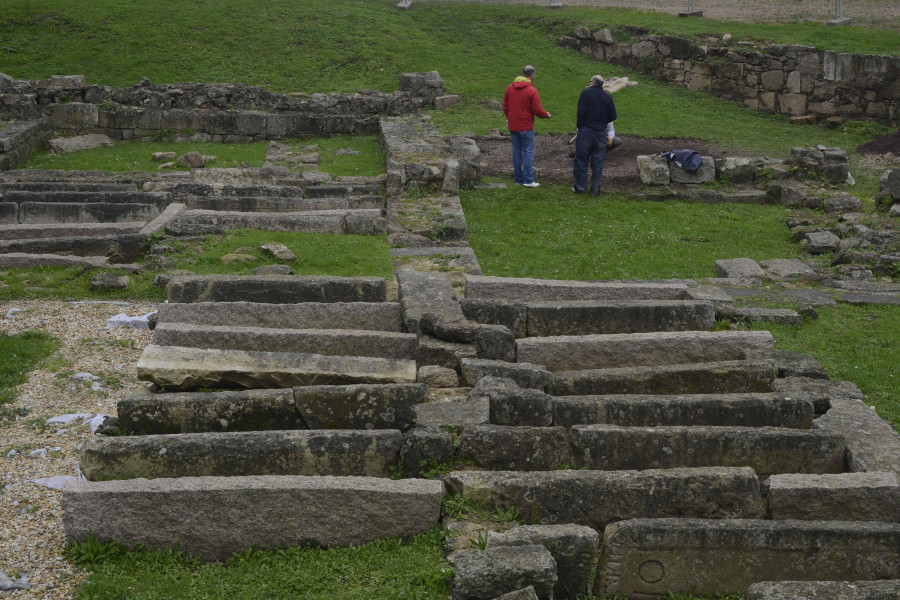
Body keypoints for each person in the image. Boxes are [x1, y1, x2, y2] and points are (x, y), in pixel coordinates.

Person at [503, 65, 551, 188]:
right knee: (528, 152)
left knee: (516, 152)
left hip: (513, 126)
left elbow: (505, 106)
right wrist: (546, 115)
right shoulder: (531, 90)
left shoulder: (510, 88)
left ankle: (518, 179)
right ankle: (528, 180)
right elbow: (537, 109)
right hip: (526, 126)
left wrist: (510, 118)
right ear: (532, 75)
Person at [572, 74, 617, 195]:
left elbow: (581, 112)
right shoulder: (608, 97)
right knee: (598, 162)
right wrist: (602, 122)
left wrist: (580, 126)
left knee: (581, 160)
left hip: (586, 131)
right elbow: (613, 116)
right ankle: (595, 189)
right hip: (600, 133)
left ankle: (580, 188)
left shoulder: (586, 93)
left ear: (593, 82)